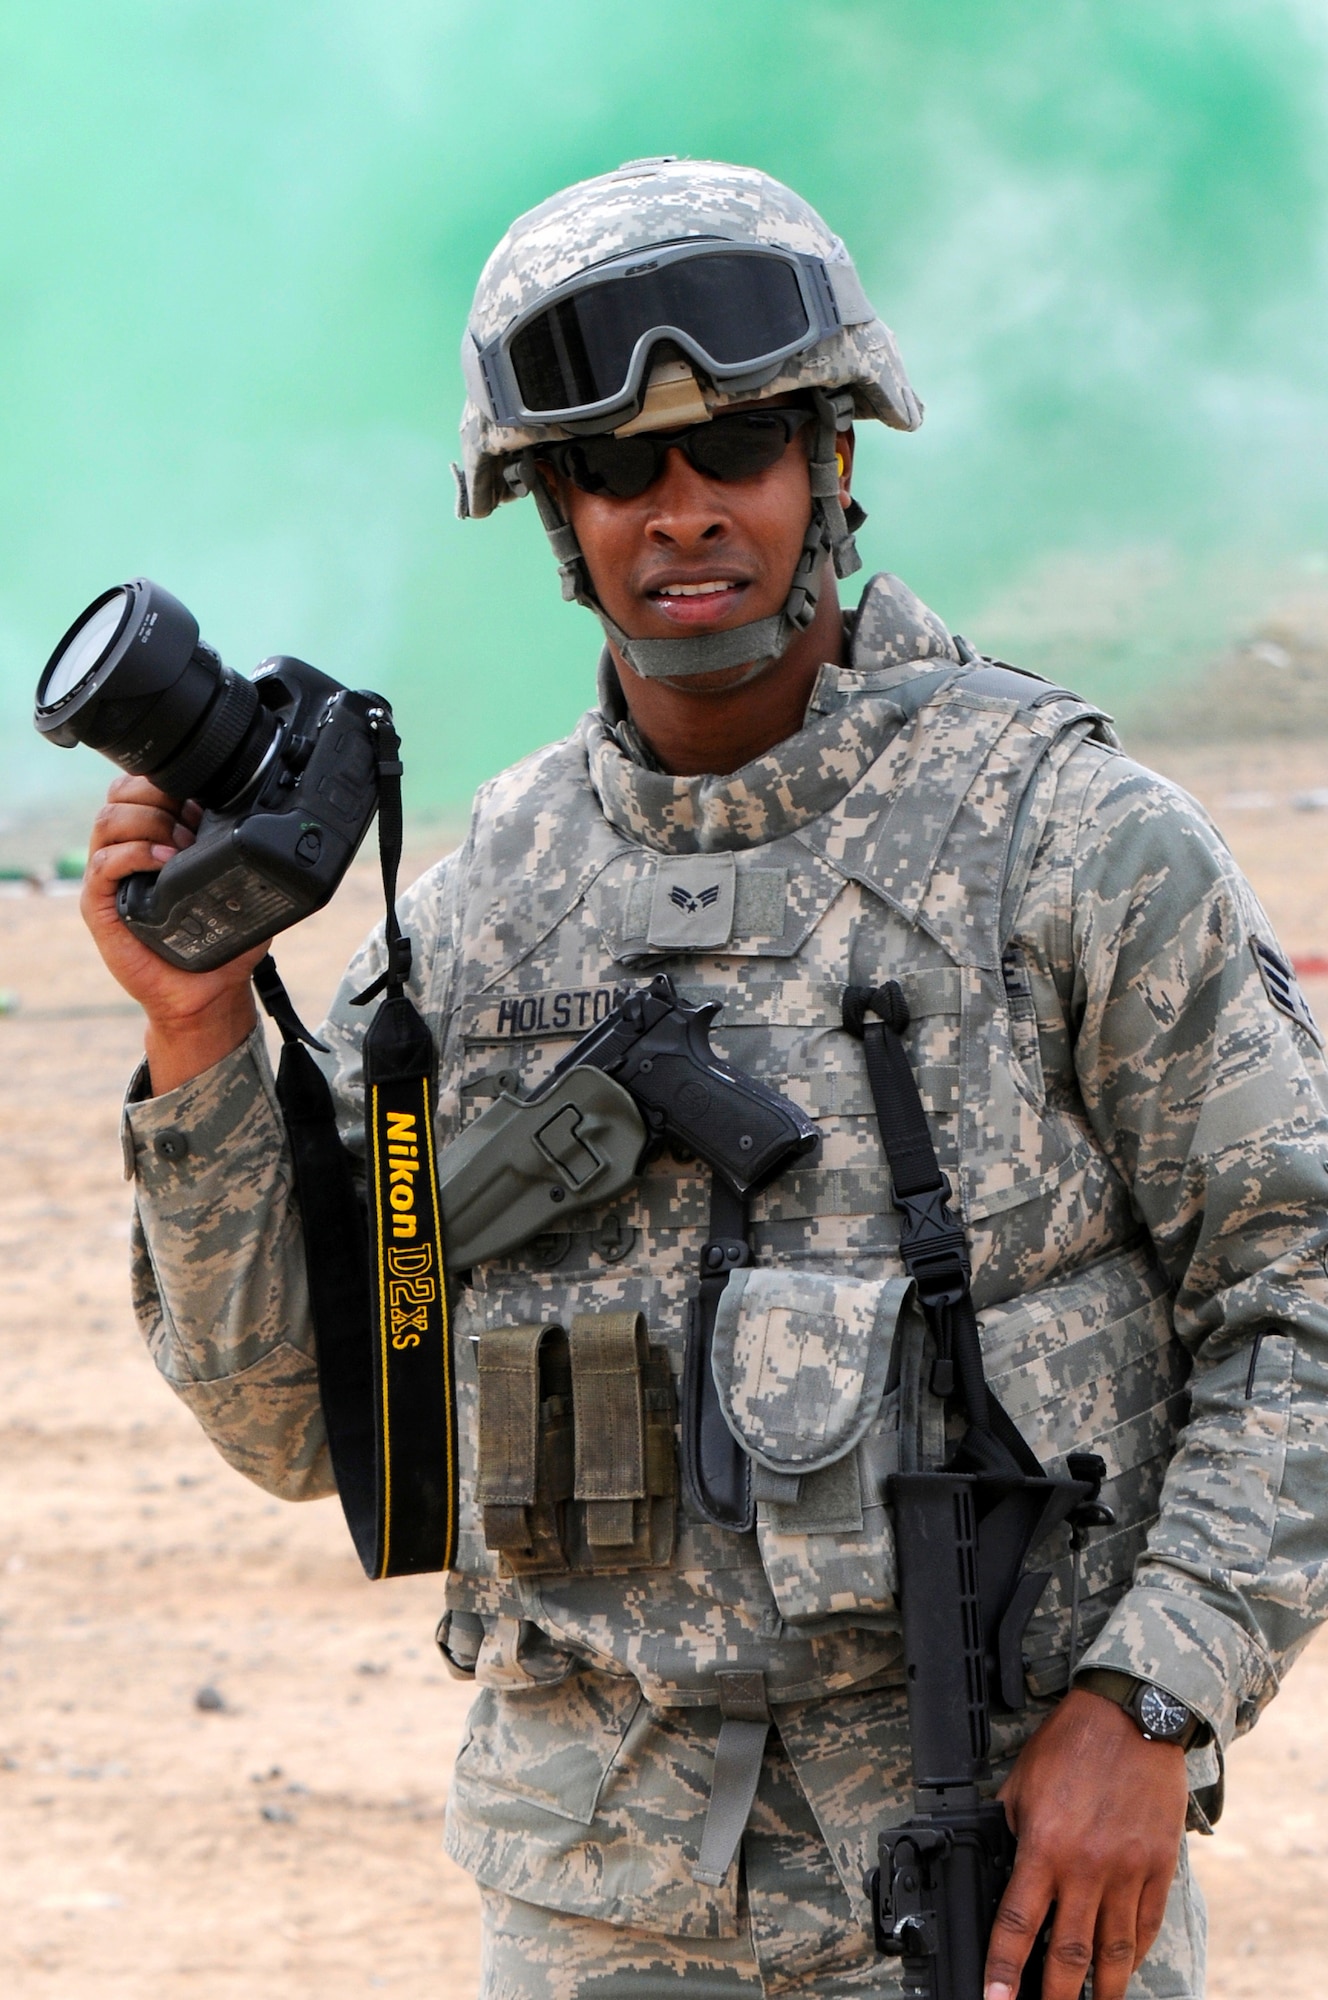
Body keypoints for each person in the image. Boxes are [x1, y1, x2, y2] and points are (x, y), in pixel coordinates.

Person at [82, 158, 1328, 2000]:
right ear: (549, 510)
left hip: (996, 1899)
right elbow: (300, 1424)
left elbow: (1295, 1295)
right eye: (614, 468)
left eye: (735, 447)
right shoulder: (488, 910)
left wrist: (1154, 1701)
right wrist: (195, 1036)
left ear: (829, 465)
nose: (681, 513)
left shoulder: (1066, 845)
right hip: (597, 1908)